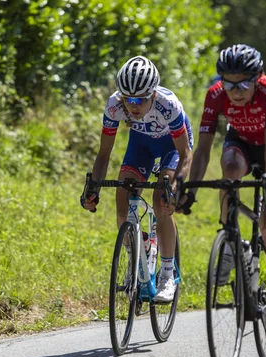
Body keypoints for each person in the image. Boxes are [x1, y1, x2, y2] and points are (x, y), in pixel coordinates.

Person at [178, 44, 266, 347]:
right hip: (240, 142)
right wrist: (190, 189)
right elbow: (203, 148)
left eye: (243, 83)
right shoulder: (215, 94)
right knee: (229, 171)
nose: (236, 90)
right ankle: (230, 238)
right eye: (229, 83)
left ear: (258, 78)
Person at [81, 56, 193, 302]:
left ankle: (166, 274)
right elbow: (104, 153)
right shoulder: (114, 105)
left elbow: (185, 154)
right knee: (123, 199)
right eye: (128, 98)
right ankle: (137, 259)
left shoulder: (169, 105)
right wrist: (93, 189)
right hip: (141, 146)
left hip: (171, 148)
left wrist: (176, 186)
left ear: (153, 94)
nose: (133, 105)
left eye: (141, 99)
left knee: (161, 199)